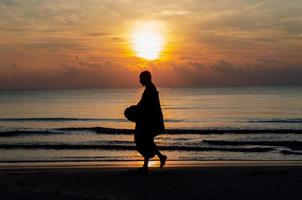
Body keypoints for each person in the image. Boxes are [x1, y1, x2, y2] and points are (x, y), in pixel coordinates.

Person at [135, 71, 167, 172]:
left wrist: (137, 110)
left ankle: (148, 164)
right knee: (147, 140)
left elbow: (149, 106)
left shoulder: (150, 90)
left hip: (151, 120)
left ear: (146, 78)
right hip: (150, 119)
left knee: (144, 140)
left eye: (141, 78)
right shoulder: (149, 88)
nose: (139, 81)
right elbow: (143, 104)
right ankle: (159, 158)